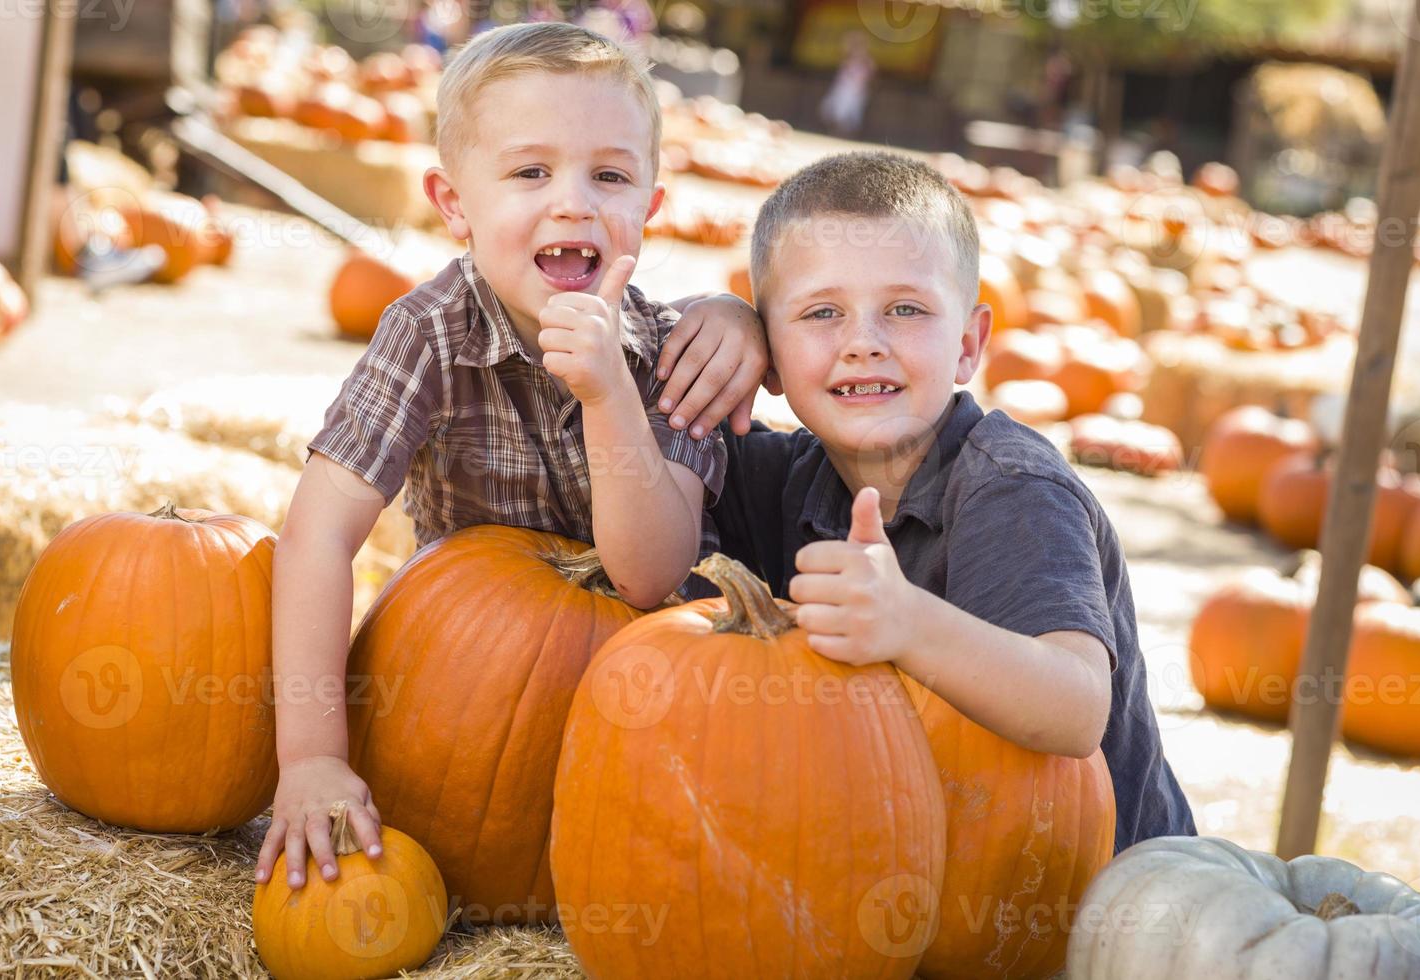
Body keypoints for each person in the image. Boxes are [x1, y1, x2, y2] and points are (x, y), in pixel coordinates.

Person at [254, 21, 770, 888]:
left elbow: (648, 576)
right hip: (466, 695)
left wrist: (609, 392)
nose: (572, 202)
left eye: (608, 176)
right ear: (455, 203)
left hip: (639, 711)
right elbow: (317, 537)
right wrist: (309, 758)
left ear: (650, 206)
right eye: (531, 172)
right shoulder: (426, 332)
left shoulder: (675, 355)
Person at [707, 151, 1196, 852]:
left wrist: (908, 623)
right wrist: (715, 319)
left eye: (905, 309)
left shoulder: (1011, 487)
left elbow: (1076, 706)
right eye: (821, 313)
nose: (862, 344)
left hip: (1097, 910)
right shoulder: (783, 476)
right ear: (771, 357)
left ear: (969, 344)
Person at [818, 30, 874, 139]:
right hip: (842, 89)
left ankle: (843, 136)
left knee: (848, 117)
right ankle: (836, 134)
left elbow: (869, 76)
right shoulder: (847, 60)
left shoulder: (866, 61)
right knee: (833, 112)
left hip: (855, 91)